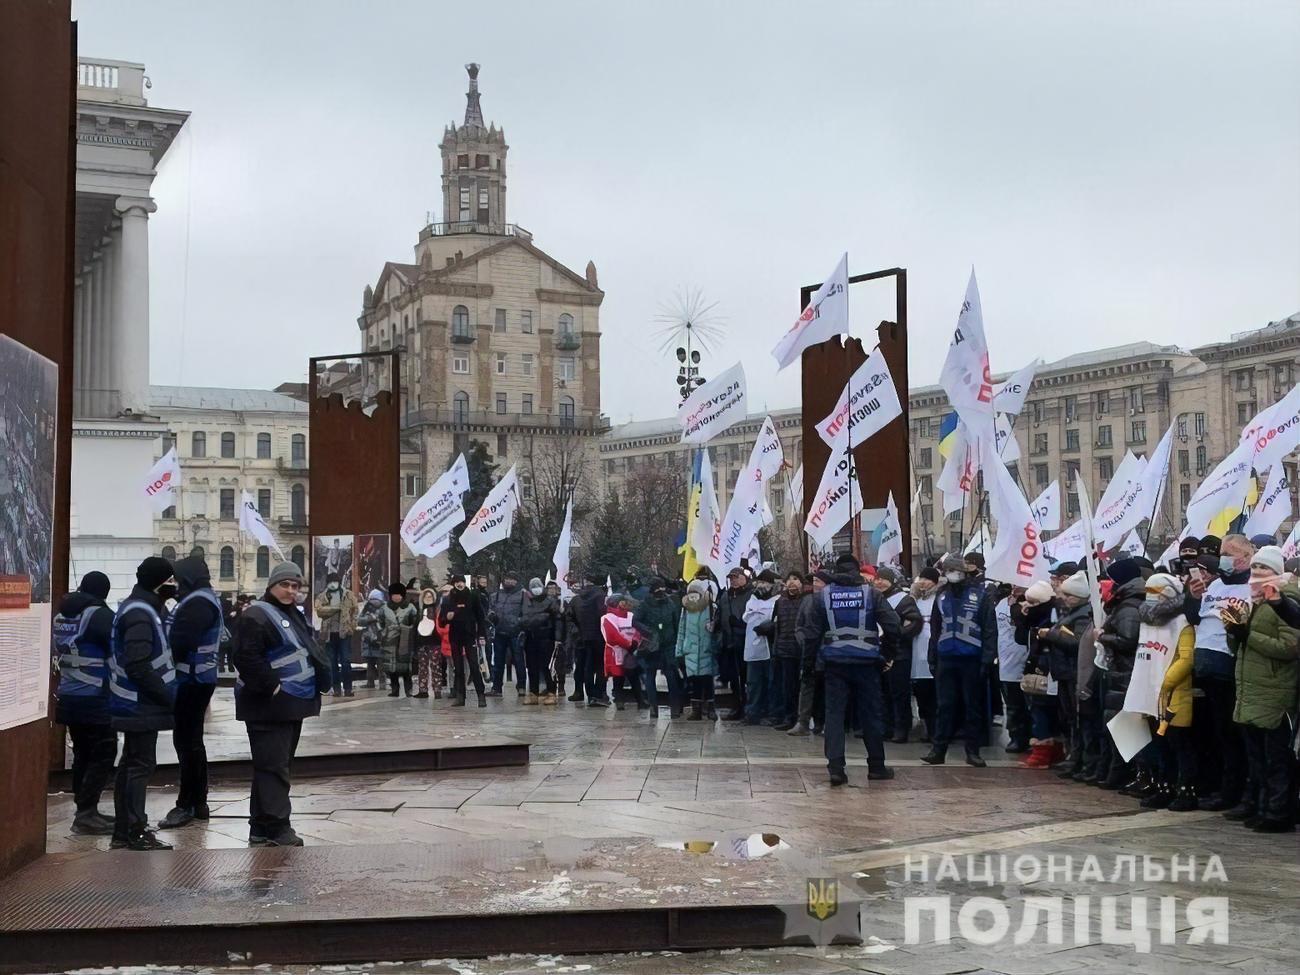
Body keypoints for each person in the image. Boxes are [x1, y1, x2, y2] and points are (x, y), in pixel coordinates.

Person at [233, 561, 328, 846]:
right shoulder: (257, 615)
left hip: (290, 703)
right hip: (268, 704)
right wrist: (271, 686)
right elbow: (245, 656)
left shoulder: (290, 614)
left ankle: (261, 826)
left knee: (273, 765)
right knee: (274, 766)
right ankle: (277, 826)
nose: (290, 591)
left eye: (295, 586)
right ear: (271, 586)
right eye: (284, 585)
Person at [803, 553, 902, 786]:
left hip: (834, 665)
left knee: (835, 717)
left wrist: (808, 666)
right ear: (858, 571)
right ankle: (876, 766)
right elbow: (894, 626)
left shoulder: (822, 597)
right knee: (871, 716)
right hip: (867, 664)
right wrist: (886, 654)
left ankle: (836, 769)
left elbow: (811, 636)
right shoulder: (872, 595)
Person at [1223, 546, 1298, 832]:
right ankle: (1261, 805)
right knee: (1257, 757)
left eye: (1263, 569)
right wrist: (1234, 632)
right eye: (1254, 568)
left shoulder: (1286, 600)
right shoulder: (1253, 601)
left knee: (1276, 758)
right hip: (1252, 690)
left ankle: (1278, 812)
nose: (1256, 574)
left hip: (1275, 691)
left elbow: (1290, 647)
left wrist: (1248, 635)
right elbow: (1241, 648)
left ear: (1277, 573)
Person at [108, 556, 177, 850]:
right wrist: (167, 697)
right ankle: (134, 830)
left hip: (134, 702)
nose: (174, 586)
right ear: (159, 582)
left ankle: (123, 831)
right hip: (140, 703)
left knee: (131, 764)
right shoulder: (140, 613)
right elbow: (138, 665)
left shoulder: (141, 607)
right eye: (171, 581)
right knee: (139, 765)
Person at [1182, 535, 1252, 811]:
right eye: (1222, 552)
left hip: (1230, 667)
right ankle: (1222, 787)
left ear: (1246, 557)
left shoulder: (1251, 586)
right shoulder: (1217, 584)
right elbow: (1194, 617)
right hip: (1206, 666)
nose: (1223, 557)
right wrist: (1193, 596)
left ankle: (1237, 791)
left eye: (1229, 553)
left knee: (1234, 734)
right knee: (1217, 734)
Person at [158, 555, 223, 831]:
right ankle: (198, 802)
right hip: (199, 679)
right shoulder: (202, 598)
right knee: (192, 742)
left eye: (178, 579)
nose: (176, 585)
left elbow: (180, 642)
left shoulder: (197, 603)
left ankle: (186, 803)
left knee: (186, 742)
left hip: (191, 680)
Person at [52, 571, 117, 835]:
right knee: (103, 753)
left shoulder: (62, 615)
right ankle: (86, 813)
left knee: (82, 754)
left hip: (69, 695)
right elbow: (118, 648)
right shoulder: (99, 616)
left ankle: (85, 809)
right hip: (94, 697)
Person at [922, 554, 997, 768]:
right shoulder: (941, 597)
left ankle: (972, 751)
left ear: (964, 573)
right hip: (946, 656)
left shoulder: (980, 595)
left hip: (971, 657)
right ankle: (938, 750)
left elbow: (989, 629)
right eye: (947, 571)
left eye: (954, 571)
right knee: (945, 705)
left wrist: (987, 659)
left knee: (972, 706)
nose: (951, 575)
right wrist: (933, 656)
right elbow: (935, 629)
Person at [1093, 558, 1146, 790]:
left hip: (1126, 671)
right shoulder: (1124, 602)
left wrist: (1102, 636)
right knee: (1116, 724)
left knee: (1123, 725)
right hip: (1121, 672)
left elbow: (1127, 639)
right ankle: (1118, 771)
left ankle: (1122, 773)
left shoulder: (1128, 606)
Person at [873, 567, 923, 743]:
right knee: (882, 693)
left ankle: (901, 728)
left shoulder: (904, 600)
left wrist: (896, 633)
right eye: (877, 578)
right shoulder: (875, 598)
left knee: (899, 693)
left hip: (898, 653)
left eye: (883, 579)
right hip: (879, 652)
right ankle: (886, 727)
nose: (879, 582)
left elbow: (915, 622)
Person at [790, 571, 832, 737]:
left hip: (827, 652)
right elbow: (799, 624)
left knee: (827, 689)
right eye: (814, 580)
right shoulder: (807, 600)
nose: (815, 584)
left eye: (819, 581)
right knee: (807, 687)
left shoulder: (832, 601)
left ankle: (826, 722)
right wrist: (803, 639)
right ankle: (803, 722)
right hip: (809, 651)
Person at [638, 576, 684, 718]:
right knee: (650, 676)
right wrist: (648, 632)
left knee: (671, 675)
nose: (661, 591)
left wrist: (677, 642)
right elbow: (636, 621)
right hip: (652, 645)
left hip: (668, 645)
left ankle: (675, 707)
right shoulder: (645, 604)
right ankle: (653, 707)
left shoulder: (670, 603)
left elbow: (676, 623)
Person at [439, 576, 488, 706]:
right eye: (456, 582)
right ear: (453, 584)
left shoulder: (472, 596)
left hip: (469, 635)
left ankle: (481, 695)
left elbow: (481, 617)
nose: (459, 584)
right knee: (458, 667)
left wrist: (481, 635)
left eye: (461, 582)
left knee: (473, 665)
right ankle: (460, 696)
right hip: (455, 636)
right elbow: (441, 621)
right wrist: (447, 617)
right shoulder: (447, 599)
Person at [769, 572, 808, 732]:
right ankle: (788, 716)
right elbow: (776, 624)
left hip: (802, 649)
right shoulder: (780, 601)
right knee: (787, 686)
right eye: (789, 580)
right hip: (784, 649)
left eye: (795, 579)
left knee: (803, 687)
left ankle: (804, 718)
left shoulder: (807, 600)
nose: (792, 583)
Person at [995, 585, 1031, 755]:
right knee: (1011, 701)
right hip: (1004, 658)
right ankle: (1015, 734)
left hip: (1024, 657)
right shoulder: (1001, 603)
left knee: (1023, 702)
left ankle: (1024, 736)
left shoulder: (1030, 604)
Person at [677, 579, 717, 720]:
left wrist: (713, 627)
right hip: (691, 651)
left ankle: (711, 709)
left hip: (706, 649)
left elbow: (717, 626)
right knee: (694, 682)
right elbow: (681, 630)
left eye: (696, 595)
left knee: (707, 681)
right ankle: (696, 710)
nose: (693, 598)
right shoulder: (686, 610)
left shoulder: (711, 608)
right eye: (690, 596)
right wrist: (679, 650)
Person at [313, 572, 358, 698]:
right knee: (332, 663)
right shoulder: (322, 596)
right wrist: (334, 609)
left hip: (344, 633)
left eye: (335, 581)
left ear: (339, 582)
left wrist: (352, 626)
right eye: (331, 582)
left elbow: (355, 611)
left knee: (345, 661)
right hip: (329, 633)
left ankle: (348, 688)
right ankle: (336, 689)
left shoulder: (348, 595)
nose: (333, 584)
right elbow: (319, 611)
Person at [715, 568, 752, 720]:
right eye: (731, 578)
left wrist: (740, 624)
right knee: (733, 678)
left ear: (744, 578)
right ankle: (736, 705)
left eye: (737, 577)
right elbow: (719, 614)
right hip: (729, 642)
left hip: (745, 641)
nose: (733, 580)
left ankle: (747, 706)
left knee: (746, 677)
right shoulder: (725, 596)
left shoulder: (750, 595)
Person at [743, 570, 779, 725]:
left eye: (765, 583)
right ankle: (752, 712)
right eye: (760, 582)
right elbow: (747, 617)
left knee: (771, 682)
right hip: (752, 647)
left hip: (770, 646)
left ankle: (770, 712)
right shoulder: (751, 600)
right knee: (753, 682)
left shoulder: (777, 600)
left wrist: (772, 628)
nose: (762, 586)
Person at [909, 568, 940, 742]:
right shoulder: (915, 601)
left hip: (934, 653)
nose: (923, 583)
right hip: (917, 652)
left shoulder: (940, 599)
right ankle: (926, 726)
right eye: (922, 579)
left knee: (935, 695)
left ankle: (937, 730)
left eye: (927, 580)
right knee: (921, 694)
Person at [520, 577, 560, 704]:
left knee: (546, 666)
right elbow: (522, 618)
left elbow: (558, 621)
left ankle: (551, 692)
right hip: (530, 638)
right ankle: (533, 692)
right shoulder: (527, 602)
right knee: (532, 666)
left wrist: (558, 638)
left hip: (546, 639)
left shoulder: (550, 602)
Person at [488, 572, 527, 697]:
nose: (509, 581)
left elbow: (527, 613)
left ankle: (521, 686)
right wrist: (491, 616)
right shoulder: (496, 595)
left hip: (516, 632)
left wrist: (520, 624)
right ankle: (497, 687)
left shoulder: (523, 595)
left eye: (512, 579)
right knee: (498, 661)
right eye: (507, 579)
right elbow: (491, 610)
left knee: (519, 661)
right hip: (500, 632)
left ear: (516, 581)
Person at [571, 574, 609, 706]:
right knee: (600, 667)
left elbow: (571, 617)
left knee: (588, 667)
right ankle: (598, 695)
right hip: (599, 636)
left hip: (584, 637)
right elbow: (603, 615)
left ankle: (590, 695)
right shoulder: (600, 596)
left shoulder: (578, 598)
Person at [601, 593, 643, 710]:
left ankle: (640, 700)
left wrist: (635, 642)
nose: (625, 603)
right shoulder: (608, 618)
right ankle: (619, 700)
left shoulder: (630, 615)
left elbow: (638, 630)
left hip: (631, 651)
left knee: (634, 676)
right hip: (616, 652)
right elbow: (612, 636)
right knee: (618, 677)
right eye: (622, 601)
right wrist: (628, 644)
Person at [381, 582, 416, 696]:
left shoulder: (410, 608)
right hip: (389, 641)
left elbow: (415, 622)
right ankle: (394, 689)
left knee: (406, 667)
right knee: (392, 668)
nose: (396, 597)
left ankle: (408, 689)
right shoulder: (385, 608)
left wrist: (408, 629)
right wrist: (383, 632)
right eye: (394, 595)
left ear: (402, 595)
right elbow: (379, 622)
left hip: (404, 641)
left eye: (398, 595)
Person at [413, 587, 442, 698]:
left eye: (430, 596)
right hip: (422, 642)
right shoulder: (419, 611)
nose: (428, 598)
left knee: (435, 666)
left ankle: (437, 689)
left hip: (434, 642)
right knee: (422, 667)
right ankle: (423, 690)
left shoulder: (437, 610)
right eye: (426, 596)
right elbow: (415, 627)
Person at [356, 589, 386, 687]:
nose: (373, 602)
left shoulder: (383, 608)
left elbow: (387, 621)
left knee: (377, 662)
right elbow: (359, 620)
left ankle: (378, 682)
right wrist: (370, 619)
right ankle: (373, 682)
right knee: (373, 662)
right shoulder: (368, 608)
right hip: (371, 639)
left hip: (377, 638)